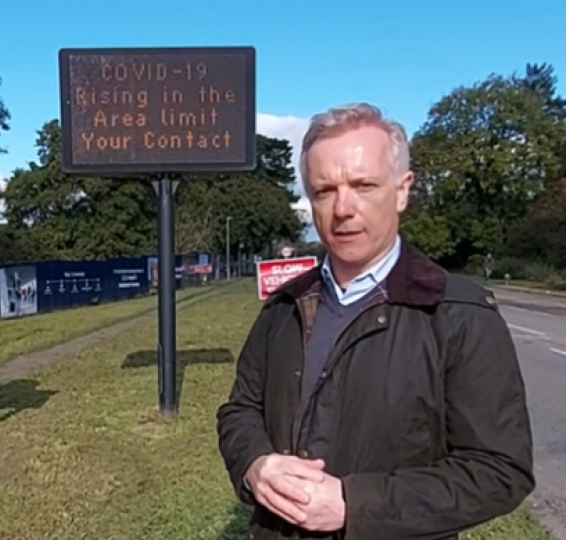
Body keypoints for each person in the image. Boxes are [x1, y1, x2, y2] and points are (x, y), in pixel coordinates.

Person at [216, 103, 534, 540]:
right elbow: (240, 410)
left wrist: (354, 505)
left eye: (363, 185)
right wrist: (254, 463)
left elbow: (499, 470)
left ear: (402, 191)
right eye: (324, 190)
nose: (342, 208)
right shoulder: (284, 306)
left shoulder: (459, 313)